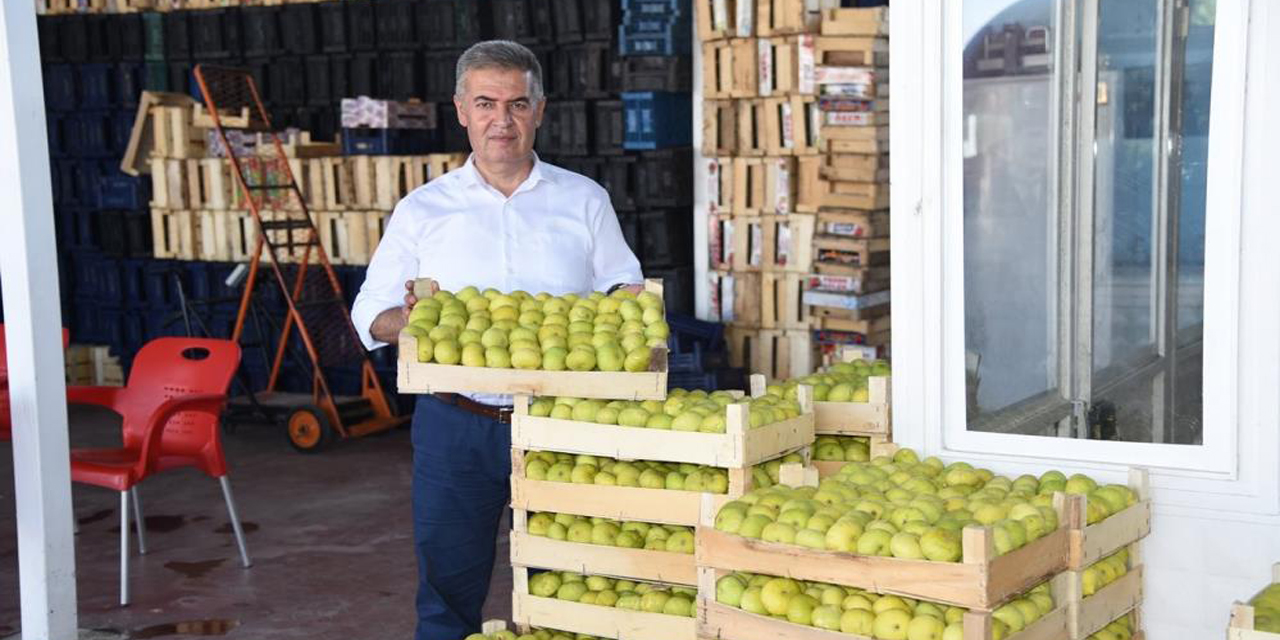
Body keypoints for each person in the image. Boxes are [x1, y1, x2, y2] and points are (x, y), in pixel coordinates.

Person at [349, 40, 644, 640]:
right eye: (486, 103)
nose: (501, 121)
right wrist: (411, 322)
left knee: (574, 585)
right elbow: (369, 313)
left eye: (517, 104)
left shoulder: (584, 199)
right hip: (456, 425)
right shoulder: (423, 209)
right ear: (461, 109)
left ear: (541, 109)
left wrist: (624, 307)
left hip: (563, 423)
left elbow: (624, 283)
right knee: (448, 592)